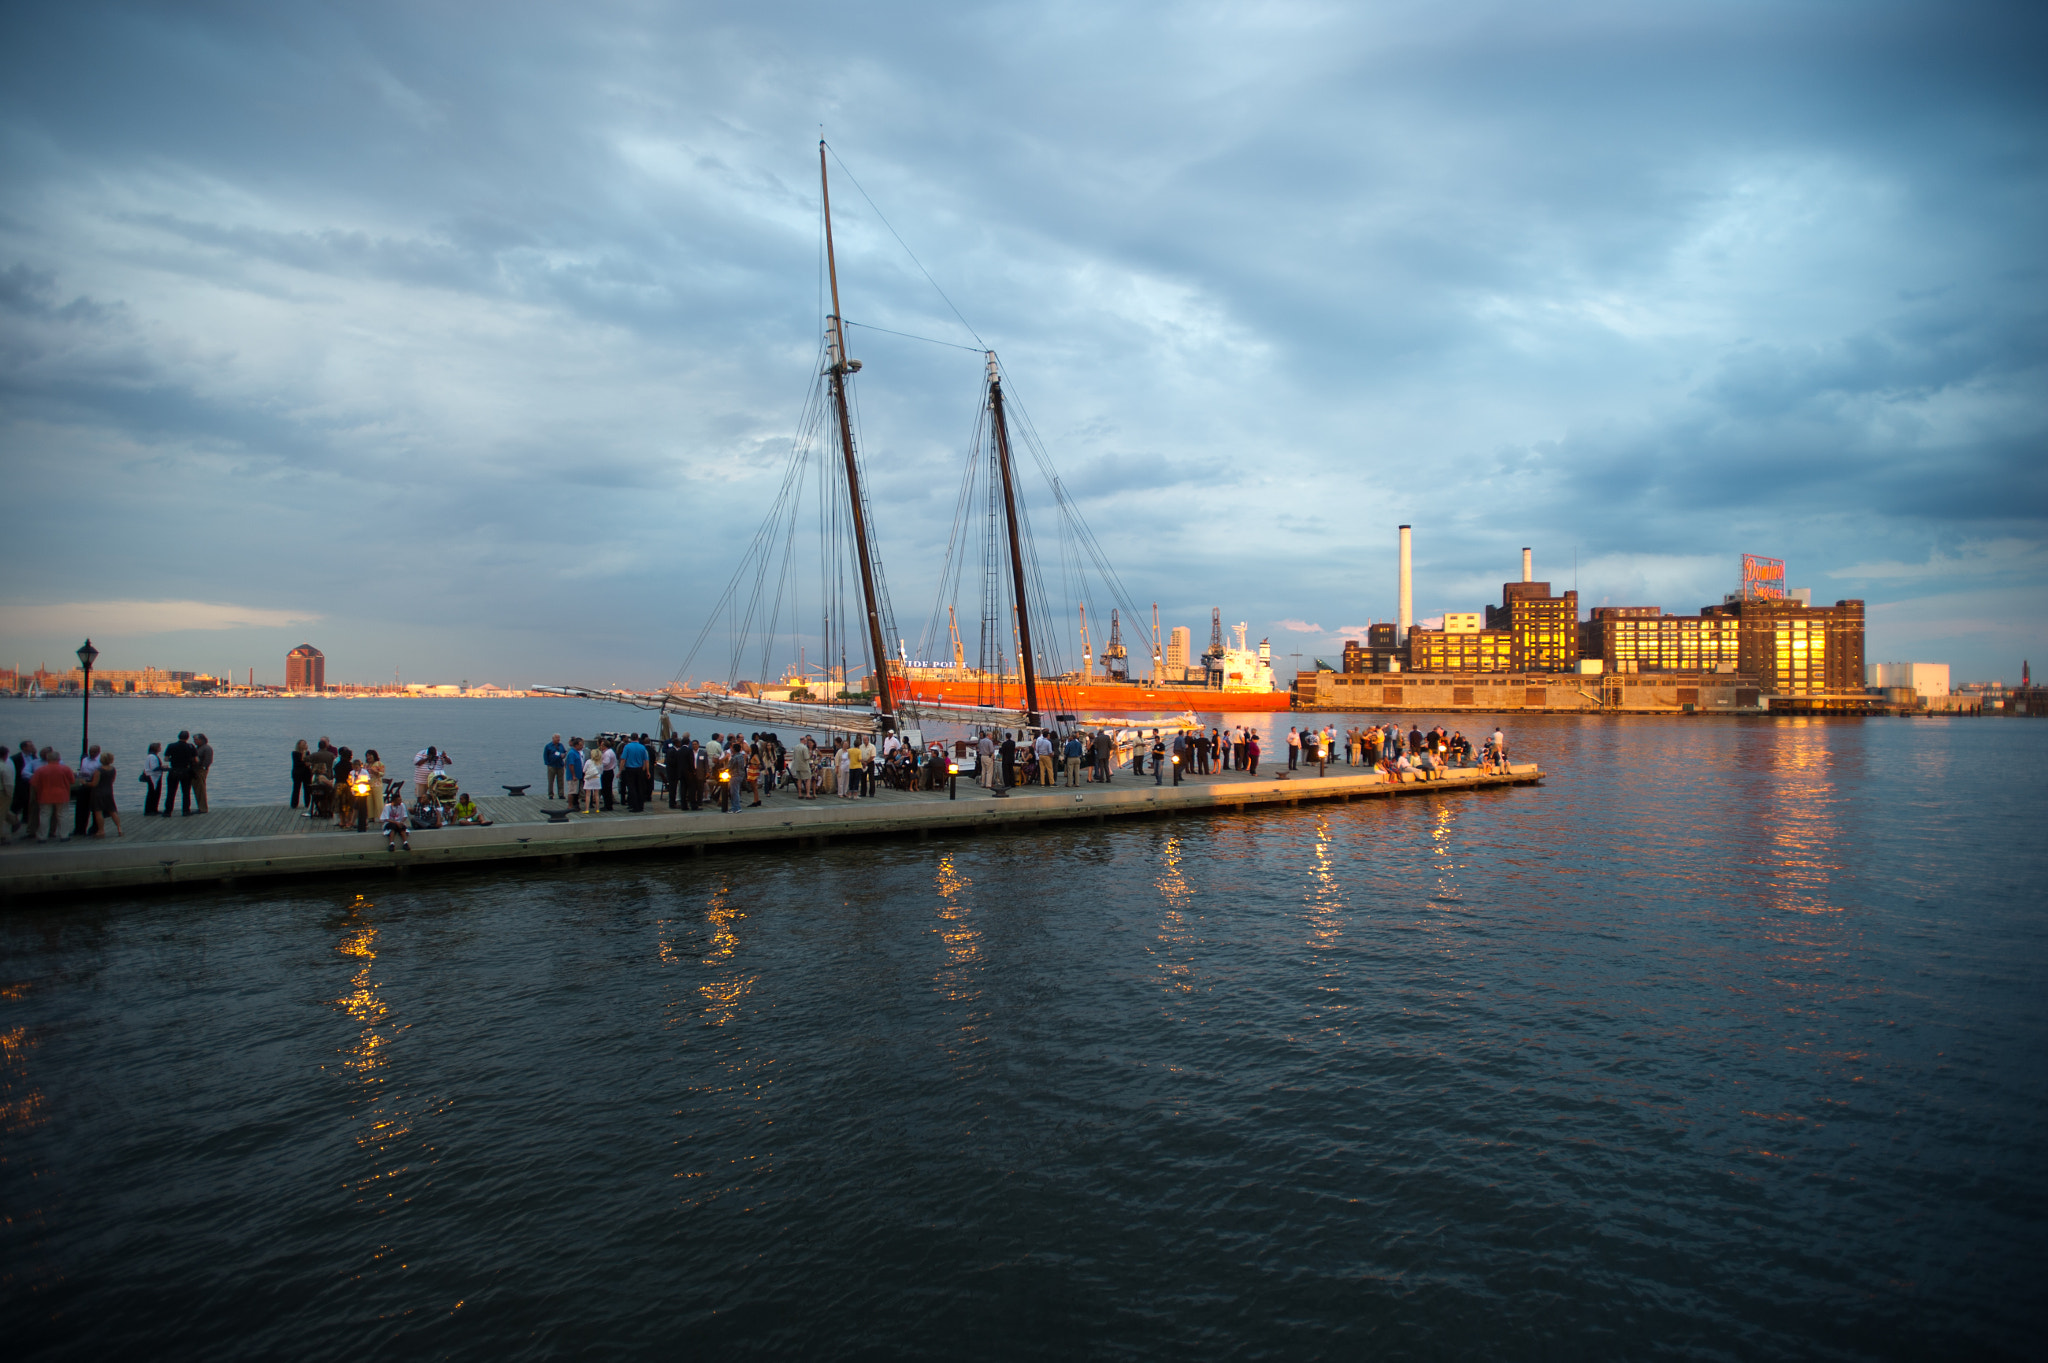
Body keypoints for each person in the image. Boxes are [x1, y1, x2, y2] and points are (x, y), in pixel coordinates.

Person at [31, 747, 75, 841]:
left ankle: (42, 836)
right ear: (58, 759)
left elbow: (34, 783)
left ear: (47, 759)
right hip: (62, 794)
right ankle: (64, 835)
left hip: (45, 795)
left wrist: (38, 791)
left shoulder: (41, 770)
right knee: (62, 815)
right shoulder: (65, 769)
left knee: (44, 815)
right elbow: (72, 781)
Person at [87, 750, 123, 837]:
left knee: (98, 811)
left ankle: (101, 830)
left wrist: (85, 783)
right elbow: (112, 781)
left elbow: (94, 783)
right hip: (109, 791)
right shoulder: (113, 769)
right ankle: (119, 829)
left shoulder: (99, 770)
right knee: (112, 811)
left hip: (98, 792)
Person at [163, 731, 199, 816]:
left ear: (178, 736)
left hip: (174, 770)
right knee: (186, 792)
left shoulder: (171, 746)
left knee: (171, 792)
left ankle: (168, 811)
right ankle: (186, 810)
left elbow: (166, 759)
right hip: (186, 771)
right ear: (187, 738)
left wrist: (173, 759)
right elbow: (196, 760)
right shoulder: (190, 746)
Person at [72, 745, 100, 836]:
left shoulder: (100, 761)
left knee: (95, 808)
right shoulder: (85, 760)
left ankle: (95, 829)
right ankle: (79, 829)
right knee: (81, 808)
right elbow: (82, 771)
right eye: (90, 752)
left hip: (95, 786)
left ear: (98, 752)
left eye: (94, 752)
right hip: (84, 783)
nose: (91, 754)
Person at [621, 734, 648, 812]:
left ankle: (634, 805)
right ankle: (641, 805)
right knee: (640, 787)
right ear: (637, 738)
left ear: (631, 738)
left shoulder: (627, 747)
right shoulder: (642, 747)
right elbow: (646, 760)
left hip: (630, 769)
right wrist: (646, 770)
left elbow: (623, 759)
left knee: (632, 788)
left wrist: (620, 770)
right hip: (639, 769)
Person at [193, 733, 214, 813]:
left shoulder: (206, 748)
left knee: (201, 789)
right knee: (198, 789)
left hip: (201, 770)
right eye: (194, 740)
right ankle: (200, 806)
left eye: (196, 740)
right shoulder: (198, 748)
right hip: (196, 770)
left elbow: (208, 760)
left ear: (201, 740)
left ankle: (203, 808)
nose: (195, 741)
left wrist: (202, 767)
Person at [564, 739, 586, 811]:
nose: (582, 746)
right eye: (580, 745)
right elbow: (571, 765)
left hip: (578, 775)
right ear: (576, 745)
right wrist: (573, 775)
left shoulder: (577, 752)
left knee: (576, 791)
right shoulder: (572, 753)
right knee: (572, 791)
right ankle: (570, 805)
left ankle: (575, 804)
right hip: (573, 776)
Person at [544, 734, 567, 799]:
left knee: (560, 780)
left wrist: (564, 755)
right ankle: (550, 794)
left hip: (560, 765)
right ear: (553, 738)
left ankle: (561, 794)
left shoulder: (561, 745)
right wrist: (547, 764)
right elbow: (545, 755)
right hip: (552, 765)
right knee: (551, 781)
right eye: (557, 738)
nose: (558, 739)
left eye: (559, 738)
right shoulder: (548, 746)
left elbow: (565, 752)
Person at [581, 745, 604, 813]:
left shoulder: (588, 761)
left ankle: (587, 809)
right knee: (596, 794)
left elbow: (584, 770)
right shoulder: (600, 763)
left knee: (588, 794)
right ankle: (597, 808)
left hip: (589, 779)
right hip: (597, 779)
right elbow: (601, 771)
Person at [290, 739, 312, 809]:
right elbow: (298, 762)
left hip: (306, 773)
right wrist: (305, 762)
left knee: (307, 788)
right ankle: (294, 804)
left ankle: (307, 804)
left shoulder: (307, 752)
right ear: (299, 745)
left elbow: (308, 761)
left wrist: (306, 762)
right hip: (297, 773)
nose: (304, 745)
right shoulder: (295, 753)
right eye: (303, 744)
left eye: (305, 744)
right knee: (296, 788)